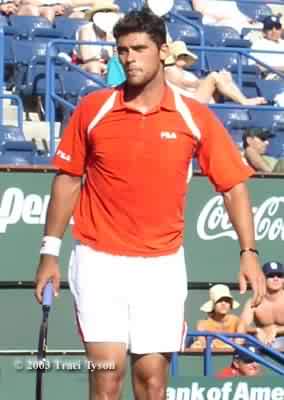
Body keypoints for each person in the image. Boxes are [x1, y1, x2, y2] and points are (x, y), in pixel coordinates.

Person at [34, 8, 266, 400]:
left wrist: (248, 251)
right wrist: (49, 252)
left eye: (138, 48)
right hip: (97, 261)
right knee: (107, 380)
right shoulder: (93, 109)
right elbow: (68, 180)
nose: (129, 58)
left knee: (152, 383)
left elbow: (233, 187)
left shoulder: (194, 116)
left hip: (161, 267)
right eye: (122, 50)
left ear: (162, 51)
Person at [164, 40, 266, 106]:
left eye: (185, 56)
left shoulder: (186, 72)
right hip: (188, 100)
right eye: (180, 55)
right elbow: (183, 84)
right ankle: (244, 101)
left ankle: (243, 100)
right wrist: (205, 81)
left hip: (197, 97)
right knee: (213, 76)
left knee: (224, 75)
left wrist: (222, 79)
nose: (183, 58)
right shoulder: (170, 69)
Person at [238, 261, 284, 351]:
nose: (276, 279)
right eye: (271, 276)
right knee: (242, 344)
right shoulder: (254, 301)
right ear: (262, 279)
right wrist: (257, 330)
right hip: (262, 342)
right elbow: (242, 326)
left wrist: (276, 330)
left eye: (279, 276)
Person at [73, 0, 122, 75]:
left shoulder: (115, 31)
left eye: (108, 11)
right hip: (84, 66)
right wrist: (106, 67)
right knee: (94, 66)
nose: (105, 15)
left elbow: (117, 58)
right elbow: (87, 58)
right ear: (94, 15)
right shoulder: (85, 30)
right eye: (102, 11)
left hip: (107, 66)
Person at [190, 284, 240, 349]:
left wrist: (217, 343)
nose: (223, 303)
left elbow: (238, 344)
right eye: (219, 301)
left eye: (227, 301)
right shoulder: (203, 324)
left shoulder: (237, 321)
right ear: (213, 305)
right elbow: (203, 344)